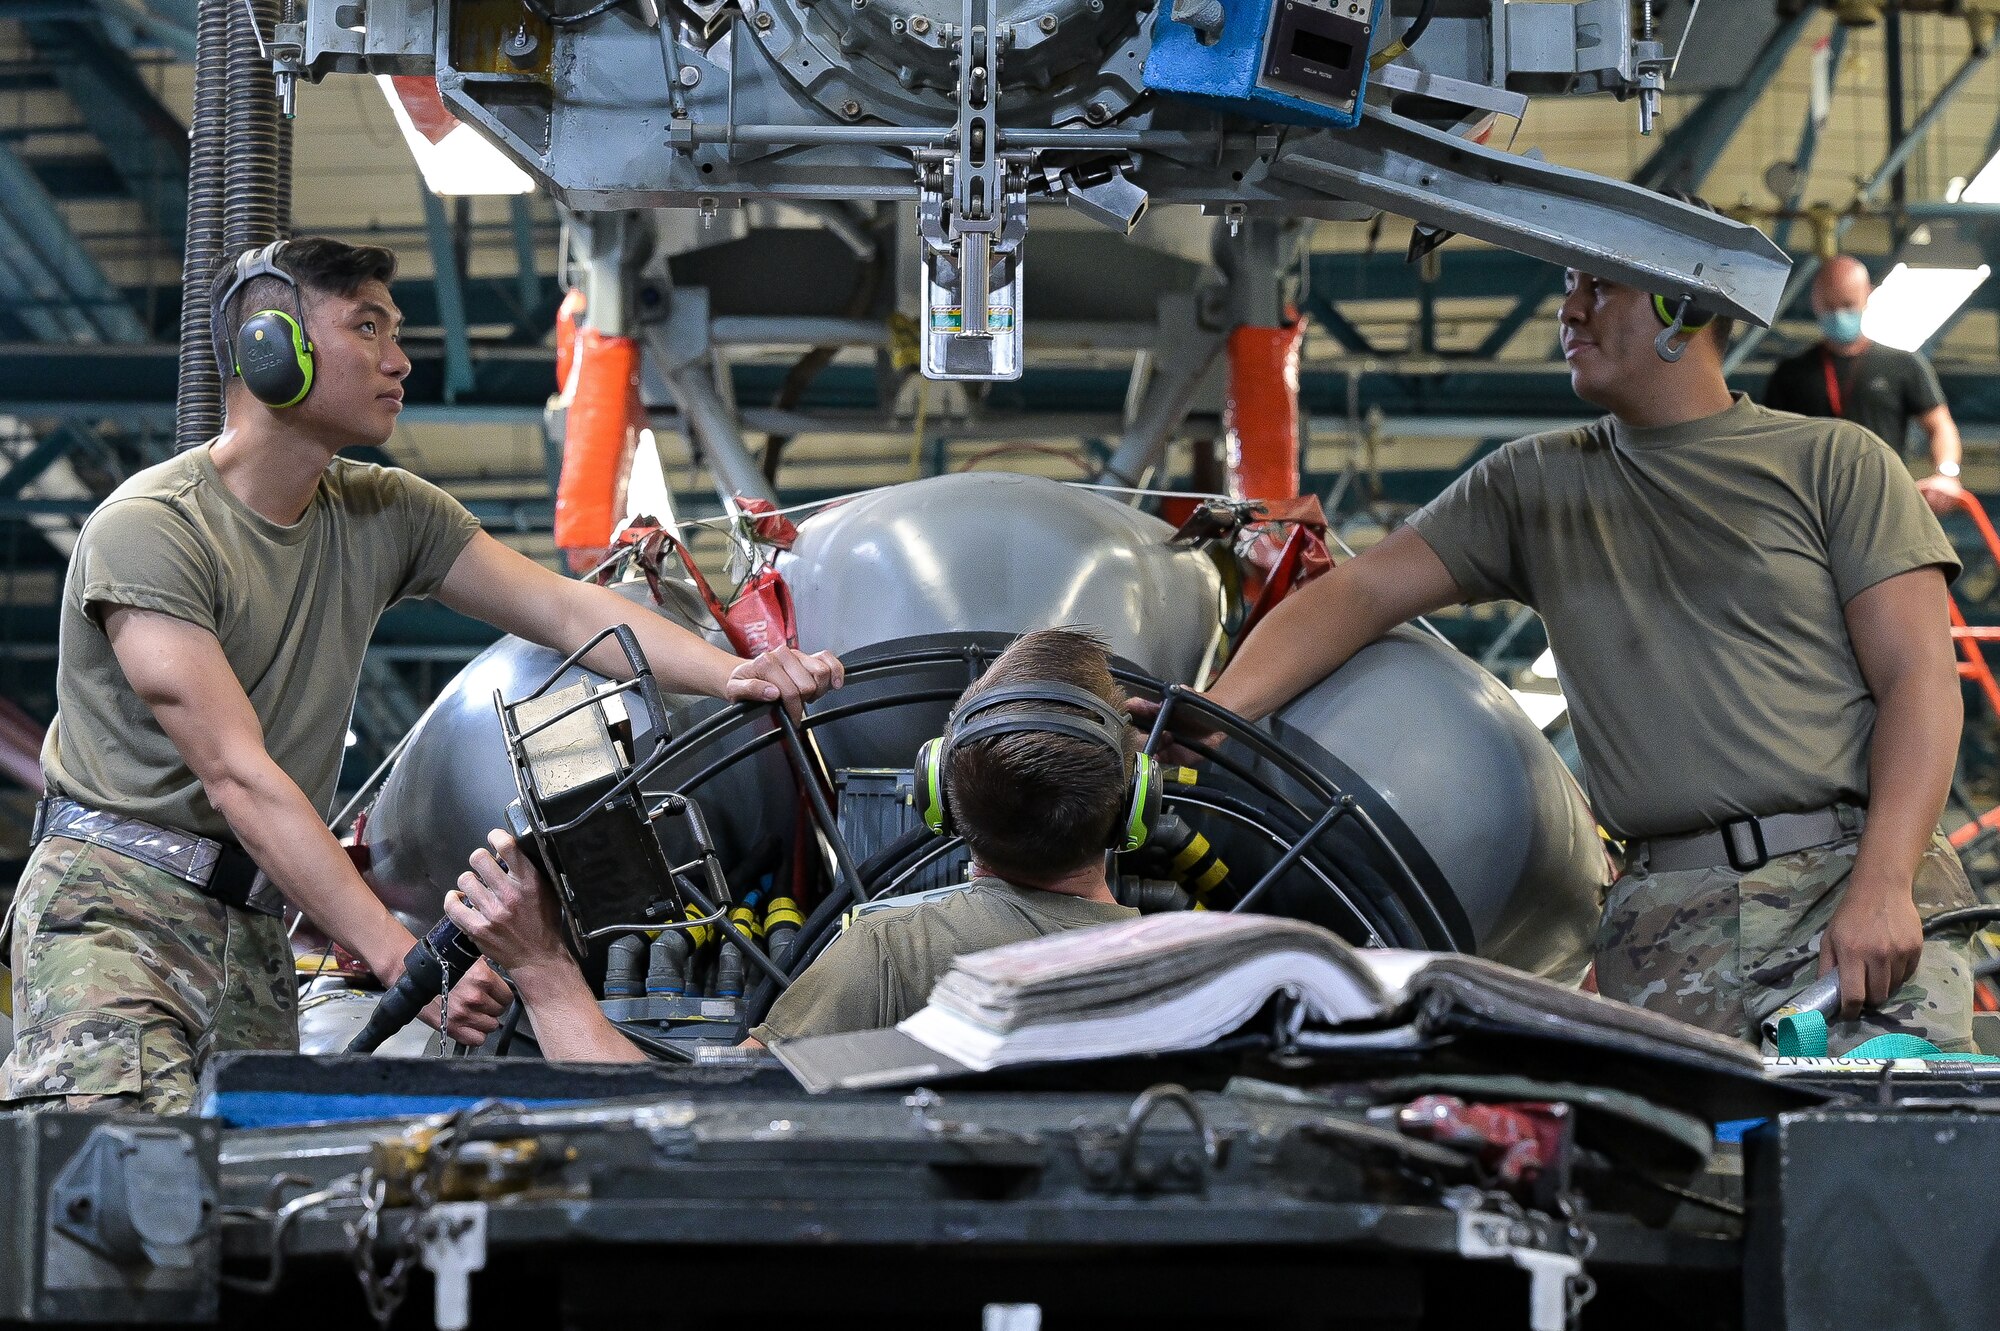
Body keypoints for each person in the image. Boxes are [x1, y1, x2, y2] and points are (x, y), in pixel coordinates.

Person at [0, 236, 843, 1113]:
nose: (399, 359)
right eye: (367, 328)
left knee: (240, 1203)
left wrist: (733, 673)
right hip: (117, 908)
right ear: (269, 350)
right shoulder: (151, 530)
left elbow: (564, 610)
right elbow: (238, 777)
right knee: (117, 1179)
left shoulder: (382, 511)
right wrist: (407, 959)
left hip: (251, 924)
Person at [1152, 246, 1980, 1055]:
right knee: (1704, 1187)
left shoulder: (1835, 462)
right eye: (1568, 283)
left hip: (1850, 888)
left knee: (1893, 1166)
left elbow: (1918, 684)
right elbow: (1356, 594)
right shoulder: (1534, 486)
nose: (1570, 308)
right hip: (1667, 929)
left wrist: (1884, 883)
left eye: (1602, 284)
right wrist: (1218, 711)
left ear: (1682, 306)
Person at [441, 627, 1143, 1061]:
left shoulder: (889, 951)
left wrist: (541, 968)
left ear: (935, 794)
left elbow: (689, 1127)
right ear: (1139, 800)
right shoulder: (1206, 965)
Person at [1763, 254, 1966, 517]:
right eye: (1830, 306)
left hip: (1884, 504)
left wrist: (1946, 474)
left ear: (1867, 296)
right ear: (1815, 302)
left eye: (1848, 305)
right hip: (1811, 508)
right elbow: (1769, 442)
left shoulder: (1903, 364)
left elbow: (1940, 425)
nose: (1839, 315)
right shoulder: (1791, 374)